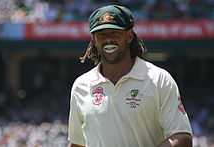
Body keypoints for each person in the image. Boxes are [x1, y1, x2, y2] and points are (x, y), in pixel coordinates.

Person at [68, 4, 192, 147]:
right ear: (94, 40)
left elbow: (182, 138)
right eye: (102, 34)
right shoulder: (81, 85)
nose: (108, 39)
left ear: (129, 36)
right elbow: (77, 144)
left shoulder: (159, 79)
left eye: (115, 33)